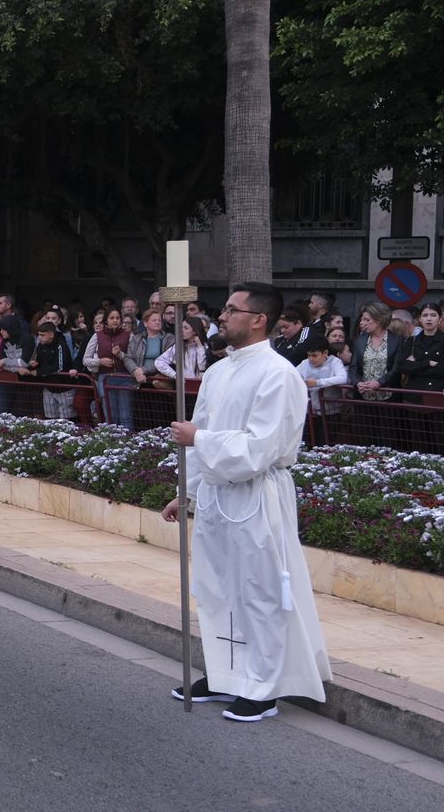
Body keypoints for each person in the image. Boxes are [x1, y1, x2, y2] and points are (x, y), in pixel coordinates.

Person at [164, 282, 329, 722]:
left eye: (232, 310)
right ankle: (225, 675)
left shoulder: (279, 374)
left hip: (257, 496)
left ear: (259, 319)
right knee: (218, 589)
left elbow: (261, 447)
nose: (222, 316)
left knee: (260, 590)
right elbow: (199, 435)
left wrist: (198, 438)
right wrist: (188, 491)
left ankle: (263, 686)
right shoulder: (219, 371)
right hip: (218, 496)